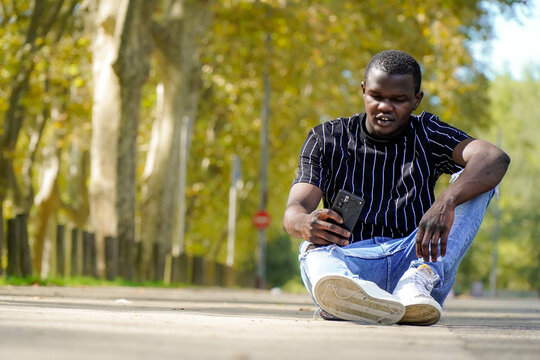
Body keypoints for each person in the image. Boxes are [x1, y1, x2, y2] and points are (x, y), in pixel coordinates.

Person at [282, 50, 510, 325]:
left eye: (398, 100)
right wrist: (305, 223)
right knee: (311, 250)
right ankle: (345, 296)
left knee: (478, 179)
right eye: (376, 96)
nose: (384, 107)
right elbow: (294, 211)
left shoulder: (428, 133)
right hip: (351, 265)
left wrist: (445, 202)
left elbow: (494, 157)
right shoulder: (327, 139)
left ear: (416, 100)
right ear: (364, 91)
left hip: (419, 263)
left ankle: (412, 289)